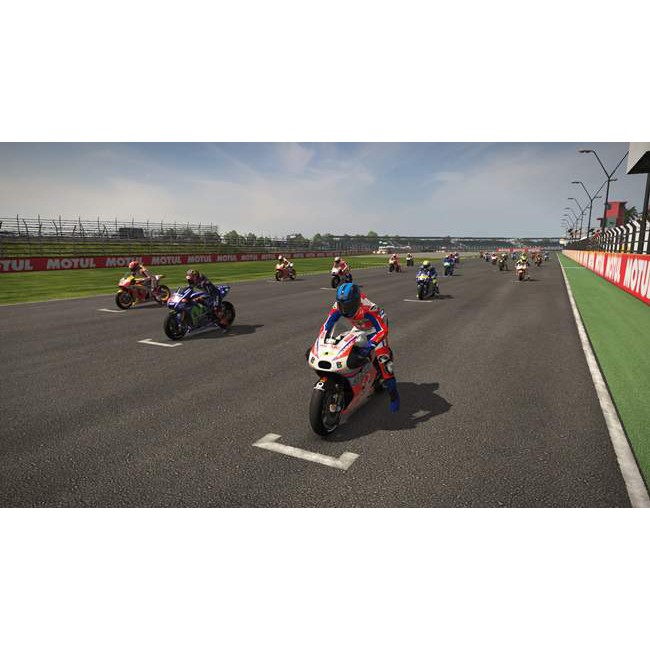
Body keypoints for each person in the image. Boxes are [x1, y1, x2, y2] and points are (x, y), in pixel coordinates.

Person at [321, 283, 400, 413]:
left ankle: (394, 396)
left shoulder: (369, 308)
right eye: (342, 304)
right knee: (342, 345)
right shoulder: (338, 306)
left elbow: (382, 330)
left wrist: (370, 346)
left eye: (348, 305)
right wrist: (321, 340)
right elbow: (327, 325)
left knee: (385, 363)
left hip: (375, 328)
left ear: (356, 302)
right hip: (359, 326)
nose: (344, 309)